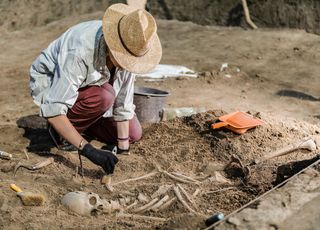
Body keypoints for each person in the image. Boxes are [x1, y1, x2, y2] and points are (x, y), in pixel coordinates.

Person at [28, 3, 162, 175]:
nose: (127, 64)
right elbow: (54, 110)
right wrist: (89, 150)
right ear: (114, 47)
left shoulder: (132, 47)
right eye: (125, 58)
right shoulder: (80, 51)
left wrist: (122, 147)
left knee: (133, 134)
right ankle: (62, 134)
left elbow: (123, 103)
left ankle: (88, 120)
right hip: (53, 85)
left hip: (92, 90)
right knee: (105, 96)